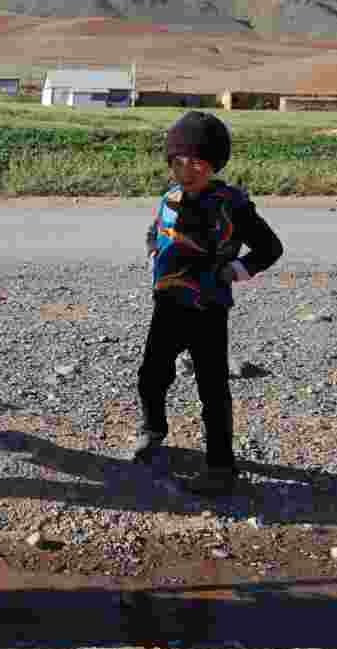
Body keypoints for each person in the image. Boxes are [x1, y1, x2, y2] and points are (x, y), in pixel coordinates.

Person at [134, 110, 284, 496]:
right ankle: (153, 431)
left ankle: (220, 468)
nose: (186, 171)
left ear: (213, 164)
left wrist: (236, 271)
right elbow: (155, 232)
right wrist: (153, 253)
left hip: (208, 310)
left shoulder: (232, 204)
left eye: (196, 163)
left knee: (212, 390)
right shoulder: (169, 197)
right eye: (178, 162)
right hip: (167, 303)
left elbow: (270, 248)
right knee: (151, 376)